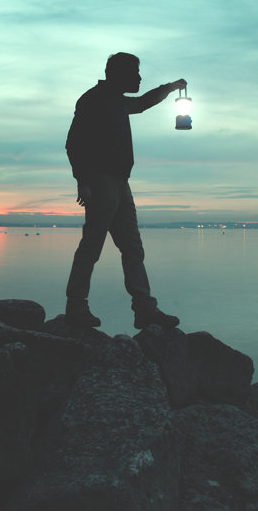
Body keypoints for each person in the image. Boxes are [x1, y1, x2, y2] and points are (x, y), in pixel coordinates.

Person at [64, 52, 187, 330]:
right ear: (120, 74)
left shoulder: (116, 101)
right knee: (91, 247)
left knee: (133, 248)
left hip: (120, 182)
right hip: (100, 181)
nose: (140, 78)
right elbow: (74, 142)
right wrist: (83, 180)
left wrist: (169, 88)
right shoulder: (93, 100)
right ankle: (76, 306)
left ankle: (144, 309)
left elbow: (142, 104)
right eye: (136, 73)